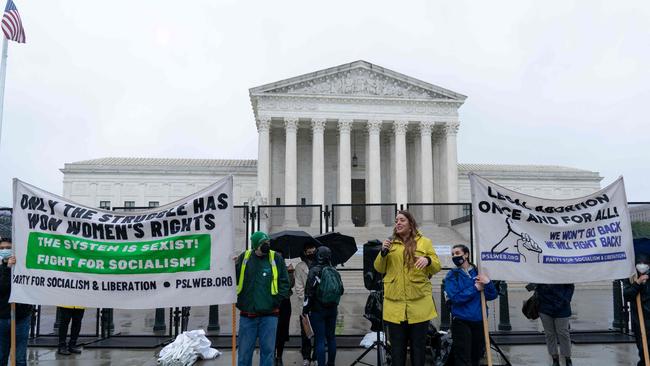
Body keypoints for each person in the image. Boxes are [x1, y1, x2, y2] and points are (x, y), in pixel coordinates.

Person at [374, 210, 441, 366]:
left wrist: (428, 260)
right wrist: (383, 252)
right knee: (397, 352)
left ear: (411, 224)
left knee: (419, 351)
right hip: (394, 307)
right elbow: (379, 268)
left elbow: (437, 266)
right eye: (396, 220)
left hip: (419, 306)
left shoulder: (425, 242)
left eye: (402, 220)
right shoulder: (390, 243)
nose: (398, 223)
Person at [236, 231, 291, 366]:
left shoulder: (275, 258)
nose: (266, 245)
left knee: (268, 352)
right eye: (263, 243)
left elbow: (285, 282)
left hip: (270, 315)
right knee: (244, 353)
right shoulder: (245, 257)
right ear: (255, 245)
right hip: (247, 315)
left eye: (267, 243)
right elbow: (233, 278)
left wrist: (275, 301)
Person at [444, 244, 498, 366]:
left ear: (466, 254)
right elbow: (455, 298)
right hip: (461, 320)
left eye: (457, 253)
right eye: (453, 254)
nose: (455, 256)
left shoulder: (479, 272)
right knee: (462, 357)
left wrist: (488, 283)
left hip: (479, 320)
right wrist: (475, 288)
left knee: (476, 356)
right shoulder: (452, 275)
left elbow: (492, 295)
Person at [303, 246, 344, 366]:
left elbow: (308, 293)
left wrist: (305, 310)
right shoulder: (334, 270)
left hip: (318, 310)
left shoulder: (314, 270)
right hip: (332, 309)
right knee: (331, 338)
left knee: (320, 340)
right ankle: (331, 363)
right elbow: (341, 290)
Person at [0, 237, 33, 366]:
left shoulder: (23, 266)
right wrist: (7, 268)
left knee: (20, 358)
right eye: (2, 248)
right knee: (2, 356)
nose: (5, 250)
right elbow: (2, 288)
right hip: (2, 318)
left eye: (8, 248)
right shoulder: (2, 267)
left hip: (21, 317)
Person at [534, 283, 575, 366]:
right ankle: (554, 358)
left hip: (562, 307)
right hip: (545, 307)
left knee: (563, 333)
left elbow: (570, 286)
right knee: (549, 334)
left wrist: (566, 300)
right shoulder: (541, 272)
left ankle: (567, 357)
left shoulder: (562, 271)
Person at [624, 254, 650, 366]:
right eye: (640, 263)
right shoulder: (631, 277)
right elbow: (627, 295)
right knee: (644, 350)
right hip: (639, 320)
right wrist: (637, 283)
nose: (642, 265)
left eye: (645, 263)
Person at [294, 243, 317, 366]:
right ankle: (306, 356)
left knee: (318, 332)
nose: (311, 253)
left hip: (318, 306)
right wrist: (307, 301)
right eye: (309, 252)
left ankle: (316, 356)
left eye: (313, 251)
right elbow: (298, 288)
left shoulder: (320, 265)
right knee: (306, 333)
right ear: (304, 253)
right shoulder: (299, 267)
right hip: (305, 306)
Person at [274, 251, 295, 366]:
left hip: (285, 303)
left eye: (281, 256)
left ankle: (279, 356)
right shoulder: (269, 268)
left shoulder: (287, 269)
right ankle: (271, 355)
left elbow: (291, 284)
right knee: (272, 330)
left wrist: (291, 272)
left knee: (282, 331)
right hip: (272, 303)